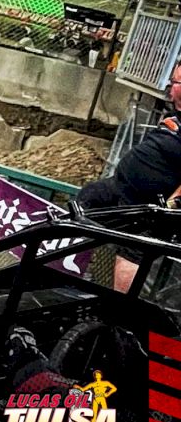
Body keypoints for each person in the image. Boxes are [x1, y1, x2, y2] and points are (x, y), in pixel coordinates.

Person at [76, 59, 181, 292]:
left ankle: (119, 313)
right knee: (82, 205)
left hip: (154, 209)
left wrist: (172, 205)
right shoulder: (174, 117)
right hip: (121, 188)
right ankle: (79, 273)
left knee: (135, 250)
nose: (169, 87)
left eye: (174, 82)